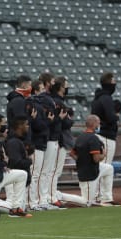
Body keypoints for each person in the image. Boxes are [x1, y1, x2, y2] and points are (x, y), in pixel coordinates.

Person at [57, 115, 120, 207]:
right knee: (86, 202)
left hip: (88, 169)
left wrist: (81, 161)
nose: (99, 125)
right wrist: (104, 155)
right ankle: (59, 195)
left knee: (109, 168)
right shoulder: (93, 138)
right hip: (89, 174)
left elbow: (72, 153)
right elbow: (96, 158)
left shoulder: (80, 137)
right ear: (94, 124)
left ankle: (107, 199)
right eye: (98, 123)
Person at [0, 114, 31, 218]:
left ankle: (16, 208)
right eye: (3, 123)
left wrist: (2, 165)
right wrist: (3, 163)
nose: (6, 126)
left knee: (22, 174)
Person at [38, 72, 67, 210]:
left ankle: (46, 197)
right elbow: (49, 120)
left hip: (52, 138)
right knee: (45, 171)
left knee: (47, 171)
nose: (54, 83)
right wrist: (60, 118)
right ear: (47, 83)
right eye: (52, 81)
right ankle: (46, 198)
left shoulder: (49, 98)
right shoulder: (44, 98)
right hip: (48, 138)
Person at [27, 80, 54, 211]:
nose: (44, 90)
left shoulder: (38, 104)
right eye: (42, 88)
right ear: (36, 90)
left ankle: (37, 201)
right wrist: (48, 121)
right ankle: (32, 202)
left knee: (38, 173)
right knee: (35, 173)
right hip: (36, 143)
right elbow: (38, 126)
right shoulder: (33, 104)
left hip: (40, 142)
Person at [48, 76, 74, 208]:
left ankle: (51, 195)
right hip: (58, 140)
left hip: (56, 139)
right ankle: (51, 197)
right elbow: (66, 123)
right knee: (54, 171)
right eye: (66, 86)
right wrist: (69, 119)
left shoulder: (56, 100)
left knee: (52, 171)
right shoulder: (57, 101)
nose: (67, 88)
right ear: (60, 87)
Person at [4, 116, 34, 213]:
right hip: (14, 182)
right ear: (20, 126)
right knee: (12, 207)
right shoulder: (14, 142)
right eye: (26, 124)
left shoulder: (18, 140)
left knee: (20, 208)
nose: (28, 127)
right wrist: (29, 161)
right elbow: (15, 163)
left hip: (18, 182)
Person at [91, 72, 119, 164]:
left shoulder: (97, 98)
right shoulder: (106, 98)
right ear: (109, 83)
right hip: (105, 136)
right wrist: (116, 116)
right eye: (113, 81)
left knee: (101, 167)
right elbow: (111, 118)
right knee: (105, 167)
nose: (115, 83)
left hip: (99, 134)